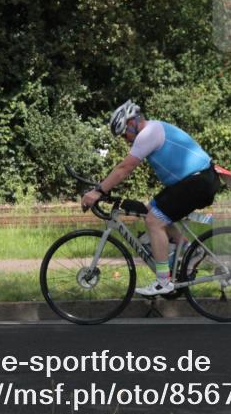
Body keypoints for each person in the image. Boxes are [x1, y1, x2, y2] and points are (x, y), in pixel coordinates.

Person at [80, 100, 220, 296]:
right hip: (195, 180)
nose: (125, 140)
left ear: (132, 123)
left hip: (198, 181)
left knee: (154, 221)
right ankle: (191, 251)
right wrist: (102, 189)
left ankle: (163, 281)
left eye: (124, 134)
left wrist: (98, 191)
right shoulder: (153, 129)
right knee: (150, 211)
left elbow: (124, 168)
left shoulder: (148, 134)